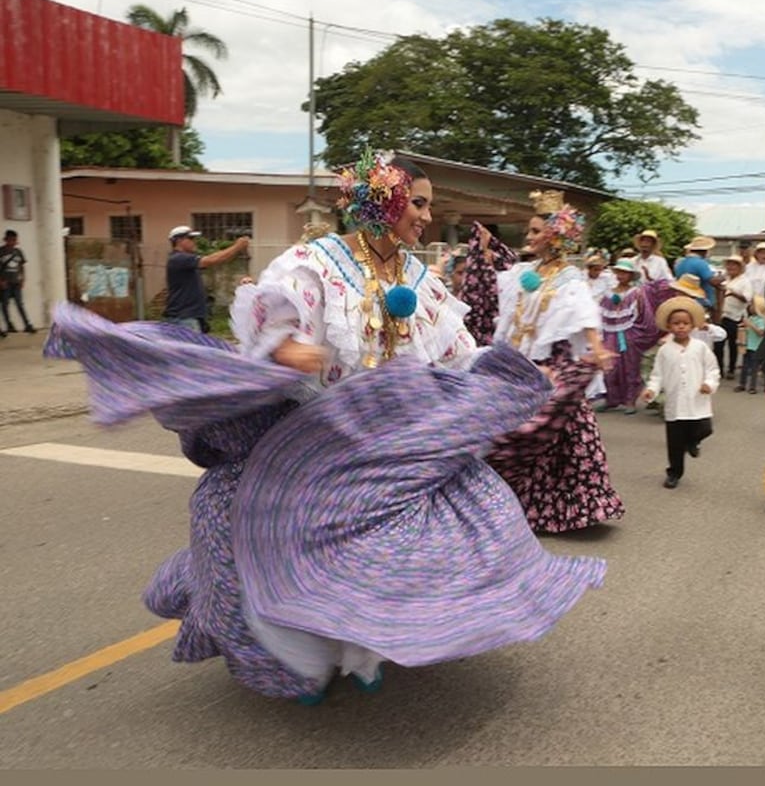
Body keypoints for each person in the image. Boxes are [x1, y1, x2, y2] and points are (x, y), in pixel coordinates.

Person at [46, 150, 607, 705]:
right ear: (383, 202)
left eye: (428, 205)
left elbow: (454, 351)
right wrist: (285, 345)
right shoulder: (317, 262)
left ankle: (369, 646)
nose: (427, 216)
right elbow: (281, 311)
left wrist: (493, 379)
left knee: (474, 517)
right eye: (418, 203)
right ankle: (294, 660)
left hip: (395, 443)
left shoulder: (421, 279)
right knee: (245, 523)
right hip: (315, 437)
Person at [464, 190, 625, 533]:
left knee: (567, 432)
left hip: (553, 364)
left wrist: (596, 348)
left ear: (554, 235)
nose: (529, 237)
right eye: (530, 231)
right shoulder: (528, 271)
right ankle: (513, 504)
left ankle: (570, 509)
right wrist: (487, 247)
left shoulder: (569, 277)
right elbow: (503, 285)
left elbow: (583, 314)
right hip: (523, 365)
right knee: (516, 429)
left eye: (536, 231)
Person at [641, 296, 721, 489]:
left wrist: (709, 384)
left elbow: (712, 369)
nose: (681, 327)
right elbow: (657, 375)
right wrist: (651, 389)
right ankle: (674, 473)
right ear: (669, 326)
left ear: (692, 325)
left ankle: (692, 442)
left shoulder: (700, 347)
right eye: (676, 324)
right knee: (674, 442)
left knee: (705, 428)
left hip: (697, 400)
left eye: (685, 323)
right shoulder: (664, 350)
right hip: (675, 404)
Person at [599, 257, 670, 414]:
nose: (621, 275)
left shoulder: (636, 293)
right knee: (610, 367)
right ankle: (611, 399)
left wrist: (636, 333)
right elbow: (602, 312)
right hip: (610, 334)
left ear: (631, 275)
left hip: (627, 334)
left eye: (625, 273)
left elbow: (644, 314)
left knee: (630, 367)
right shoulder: (608, 293)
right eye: (619, 272)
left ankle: (630, 401)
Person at [162, 226, 249, 333]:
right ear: (179, 240)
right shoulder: (179, 259)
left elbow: (219, 259)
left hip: (189, 317)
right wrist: (237, 247)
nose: (194, 242)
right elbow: (212, 259)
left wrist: (236, 250)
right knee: (191, 349)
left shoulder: (186, 260)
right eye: (190, 238)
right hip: (184, 318)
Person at [717, 255, 751, 380]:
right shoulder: (724, 279)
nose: (731, 267)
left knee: (732, 344)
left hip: (735, 316)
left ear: (740, 267)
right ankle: (719, 369)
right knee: (718, 344)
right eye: (729, 264)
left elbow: (747, 298)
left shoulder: (745, 281)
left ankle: (731, 368)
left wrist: (733, 292)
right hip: (721, 315)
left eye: (734, 264)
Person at [673, 236, 725, 309]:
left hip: (684, 298)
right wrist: (724, 276)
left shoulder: (681, 263)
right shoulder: (701, 263)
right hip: (700, 302)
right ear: (705, 251)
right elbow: (713, 281)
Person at [0, 229, 35, 335]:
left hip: (16, 282)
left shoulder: (18, 252)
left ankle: (27, 324)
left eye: (14, 240)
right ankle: (9, 324)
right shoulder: (1, 251)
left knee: (20, 304)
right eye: (11, 240)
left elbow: (21, 266)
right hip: (5, 282)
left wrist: (23, 279)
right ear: (6, 240)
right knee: (5, 304)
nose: (13, 242)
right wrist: (1, 280)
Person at [735, 295, 765, 394]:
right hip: (747, 345)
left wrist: (750, 325)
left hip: (756, 347)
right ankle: (742, 384)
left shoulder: (760, 320)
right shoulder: (751, 318)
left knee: (754, 368)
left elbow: (761, 333)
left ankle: (752, 386)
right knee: (745, 366)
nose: (750, 307)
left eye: (753, 305)